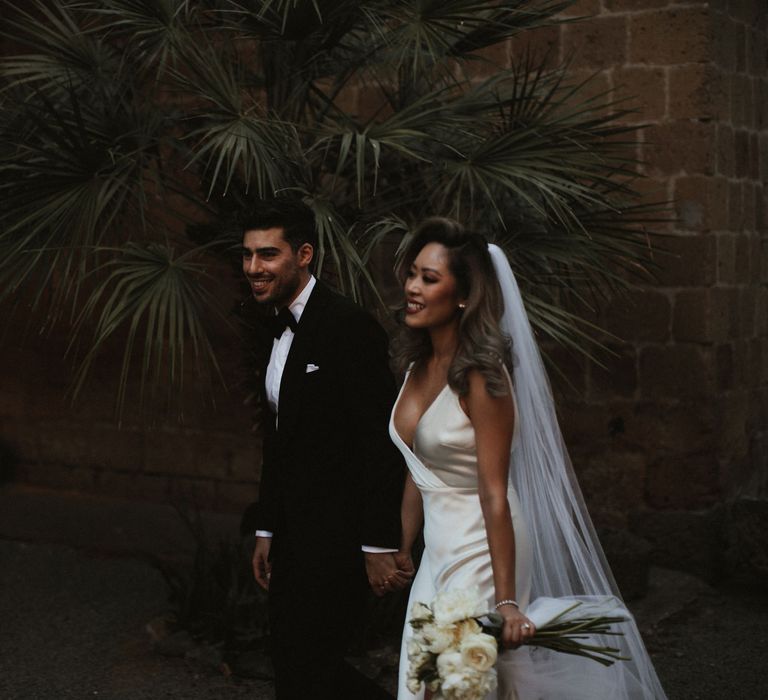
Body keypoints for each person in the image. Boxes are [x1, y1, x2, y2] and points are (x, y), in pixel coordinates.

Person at [391, 218, 667, 699]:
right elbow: (420, 470)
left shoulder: (482, 377)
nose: (412, 287)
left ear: (463, 296)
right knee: (424, 677)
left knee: (461, 681)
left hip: (483, 544)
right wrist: (401, 544)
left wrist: (508, 601)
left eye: (429, 278)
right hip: (437, 549)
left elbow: (494, 491)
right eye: (413, 273)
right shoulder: (418, 364)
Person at [239, 199, 411, 700]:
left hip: (340, 539)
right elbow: (280, 440)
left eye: (268, 254)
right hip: (292, 536)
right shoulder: (272, 323)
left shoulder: (349, 326)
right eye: (248, 255)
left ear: (305, 254)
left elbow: (382, 442)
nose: (254, 268)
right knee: (293, 666)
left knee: (310, 667)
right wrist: (267, 526)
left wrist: (378, 544)